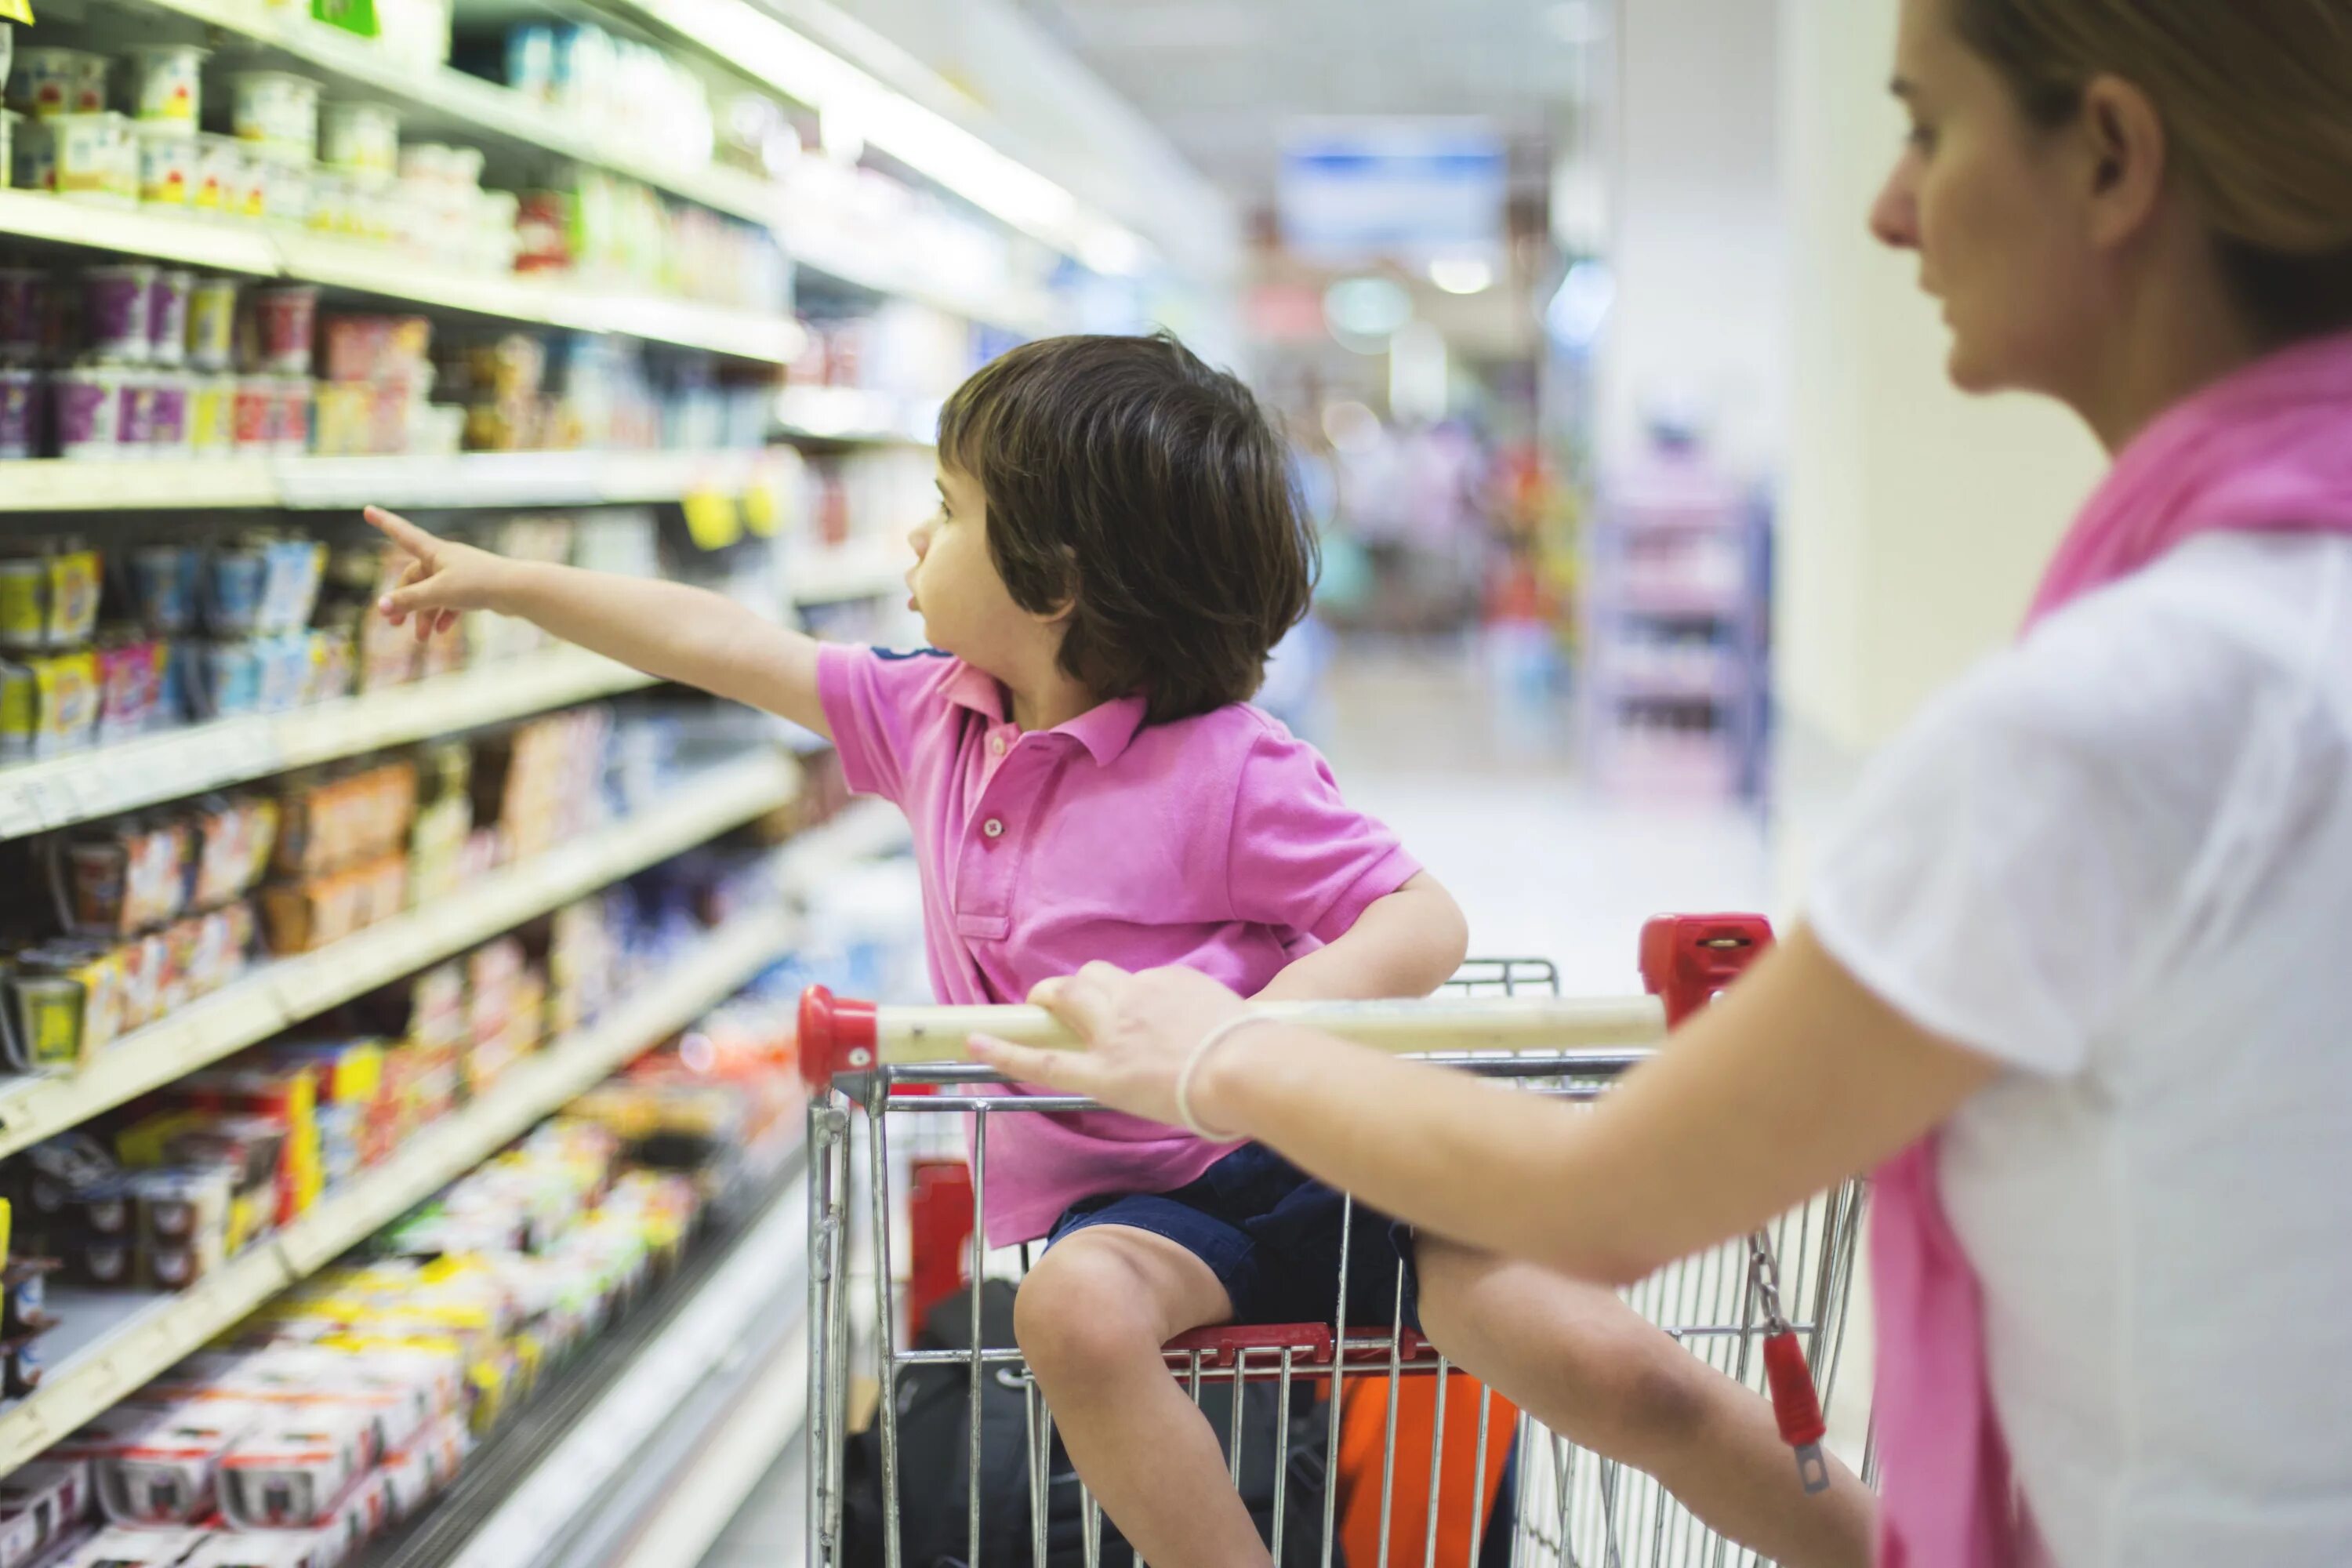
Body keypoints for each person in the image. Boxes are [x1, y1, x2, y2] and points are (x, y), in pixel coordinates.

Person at [972, 3, 2352, 1565]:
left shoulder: (2109, 715)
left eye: (1926, 126)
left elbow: (1609, 1195)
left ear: (2107, 155)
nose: (1890, 205)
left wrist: (1220, 1051)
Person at [363, 332, 1873, 1568]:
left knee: (1621, 1374)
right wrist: (506, 583)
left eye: (946, 509)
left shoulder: (1225, 764)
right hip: (1150, 1219)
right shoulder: (922, 720)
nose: (913, 535)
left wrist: (1244, 1051)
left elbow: (1422, 922)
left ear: (1057, 576)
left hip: (1344, 1158)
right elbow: (717, 640)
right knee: (1067, 1310)